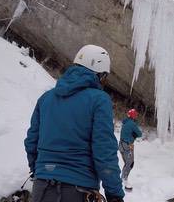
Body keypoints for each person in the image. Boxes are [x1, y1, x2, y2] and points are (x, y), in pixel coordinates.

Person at [24, 45, 124, 202]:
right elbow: (104, 151)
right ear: (100, 74)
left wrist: (40, 171)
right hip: (78, 189)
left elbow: (31, 142)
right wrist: (115, 194)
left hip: (41, 189)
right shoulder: (99, 100)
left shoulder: (46, 98)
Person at [119, 109, 142, 191]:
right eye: (136, 115)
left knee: (127, 163)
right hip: (128, 146)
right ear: (133, 116)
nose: (136, 117)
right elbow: (140, 134)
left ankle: (122, 178)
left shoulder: (125, 122)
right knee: (130, 163)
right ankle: (124, 180)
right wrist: (134, 135)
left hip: (121, 145)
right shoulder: (132, 124)